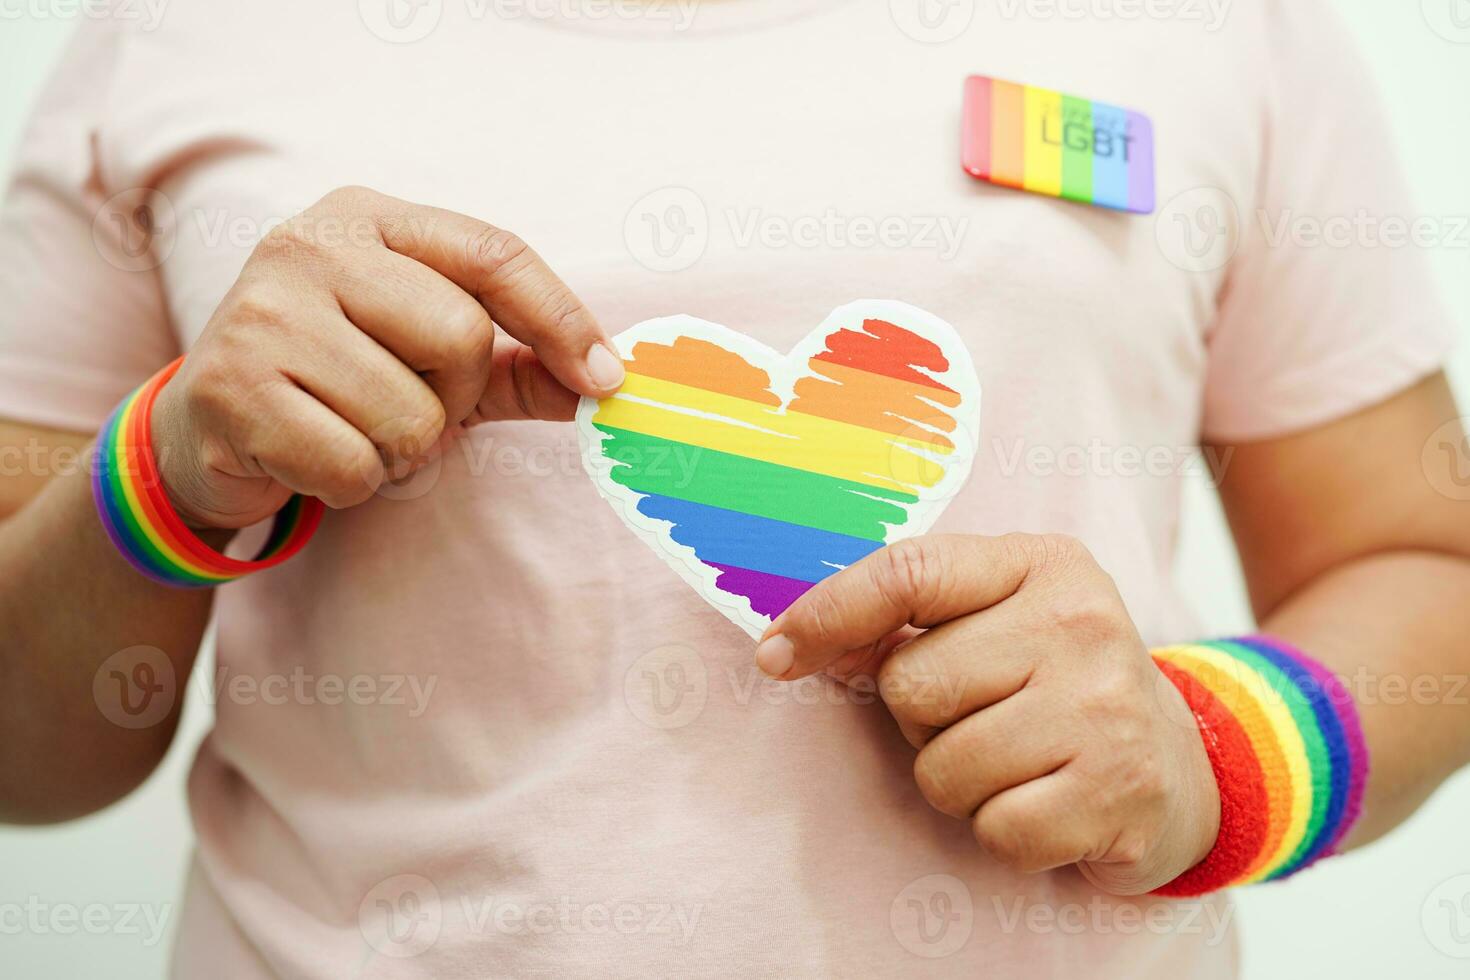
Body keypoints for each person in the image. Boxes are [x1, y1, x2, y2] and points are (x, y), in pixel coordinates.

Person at [1, 1, 1467, 976]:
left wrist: (1214, 760)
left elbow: (1419, 563)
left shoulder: (1218, 23)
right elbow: (25, 755)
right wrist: (165, 465)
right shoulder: (174, 34)